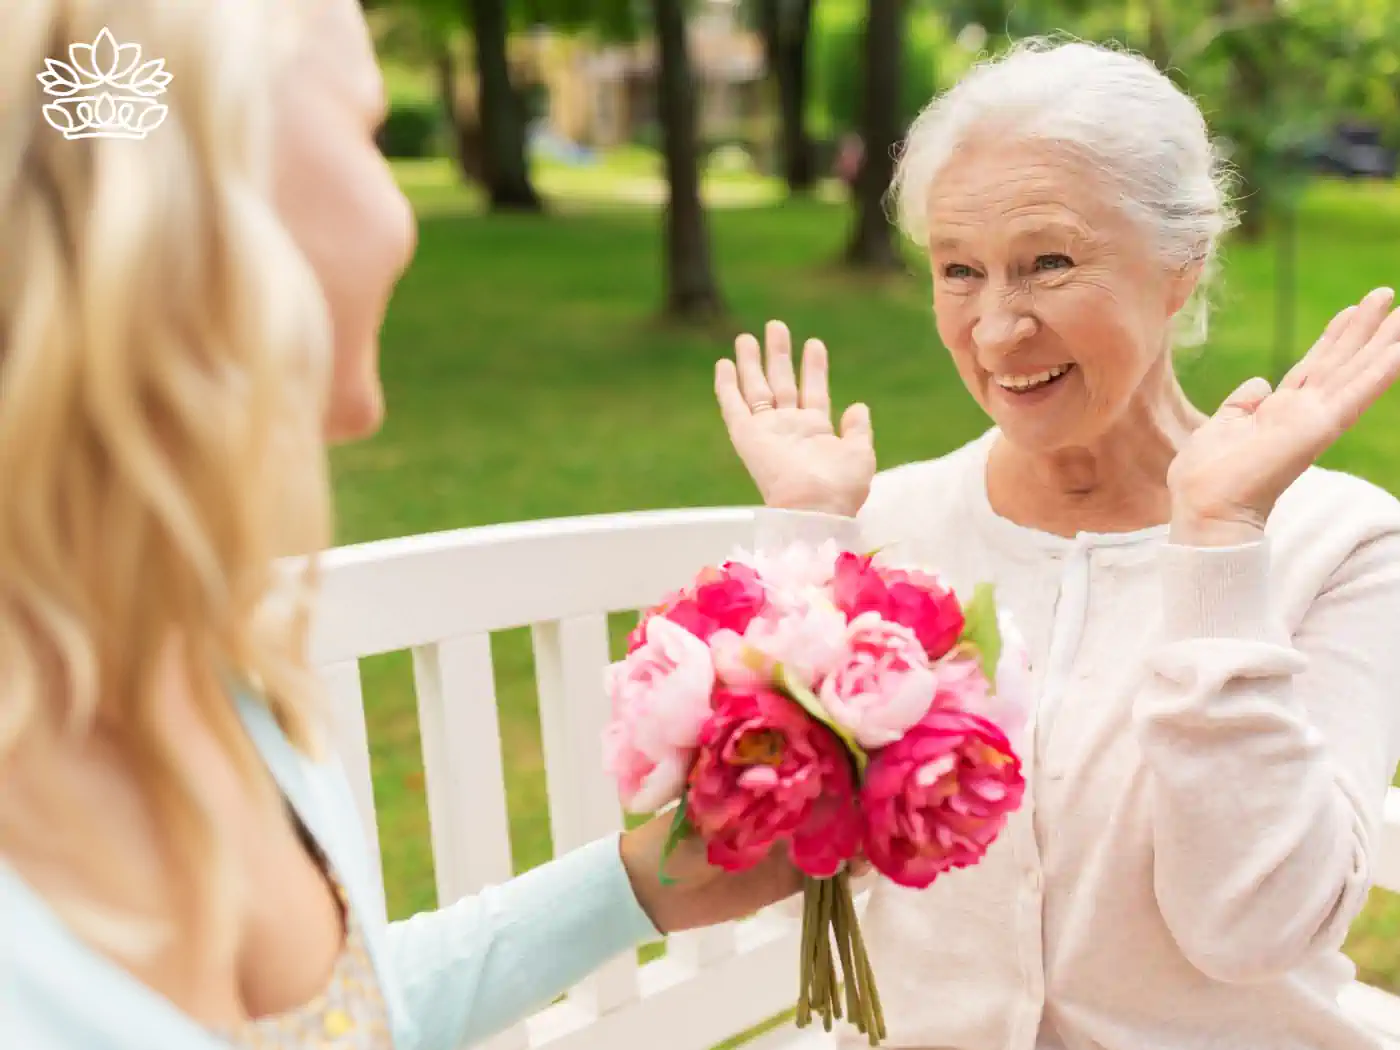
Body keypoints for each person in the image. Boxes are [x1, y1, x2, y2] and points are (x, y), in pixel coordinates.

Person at [0, 2, 803, 1048]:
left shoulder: (215, 669)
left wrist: (638, 885)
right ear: (203, 191)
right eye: (370, 133)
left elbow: (338, 1022)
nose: (401, 217)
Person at [716, 37, 1400, 1050]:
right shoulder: (883, 530)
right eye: (958, 271)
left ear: (1181, 266)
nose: (995, 332)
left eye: (1048, 262)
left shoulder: (1339, 546)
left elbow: (1250, 933)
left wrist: (1214, 549)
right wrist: (806, 550)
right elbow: (774, 875)